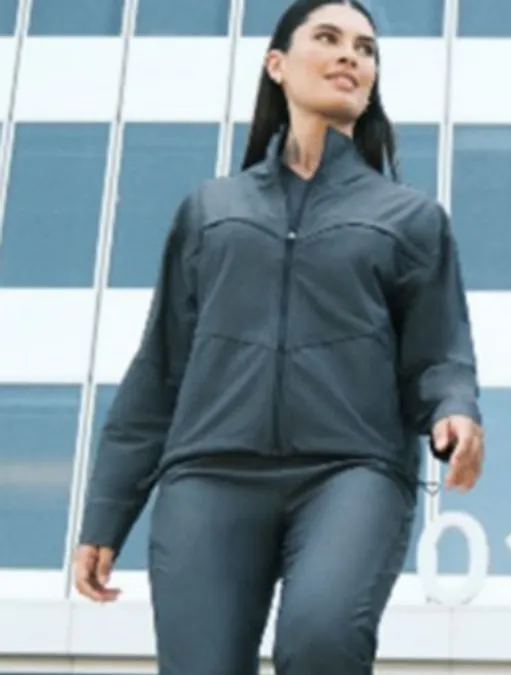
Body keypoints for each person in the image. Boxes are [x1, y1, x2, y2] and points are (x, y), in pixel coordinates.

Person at [71, 1, 484, 673]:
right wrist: (106, 511)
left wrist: (456, 410)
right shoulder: (212, 209)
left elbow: (440, 351)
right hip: (210, 472)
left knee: (321, 640)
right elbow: (160, 368)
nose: (352, 56)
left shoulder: (409, 218)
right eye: (328, 39)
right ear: (277, 65)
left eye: (366, 48)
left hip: (350, 469)